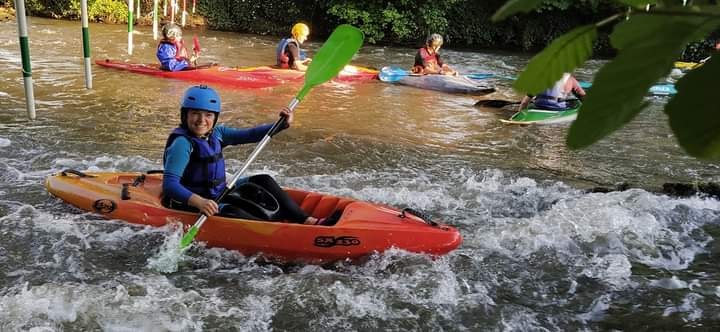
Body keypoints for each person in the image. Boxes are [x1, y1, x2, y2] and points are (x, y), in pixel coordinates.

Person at [162, 85, 338, 225]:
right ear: (185, 115)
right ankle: (280, 233)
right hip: (190, 203)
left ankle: (308, 221)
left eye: (208, 115)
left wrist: (282, 124)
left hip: (217, 192)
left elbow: (251, 134)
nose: (201, 120)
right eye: (195, 114)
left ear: (215, 118)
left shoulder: (218, 134)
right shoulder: (182, 144)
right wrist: (200, 202)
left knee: (263, 180)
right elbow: (170, 185)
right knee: (235, 213)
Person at [517, 73, 586, 112]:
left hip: (538, 106)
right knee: (575, 102)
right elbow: (583, 95)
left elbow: (524, 102)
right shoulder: (570, 79)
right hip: (558, 108)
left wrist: (520, 113)